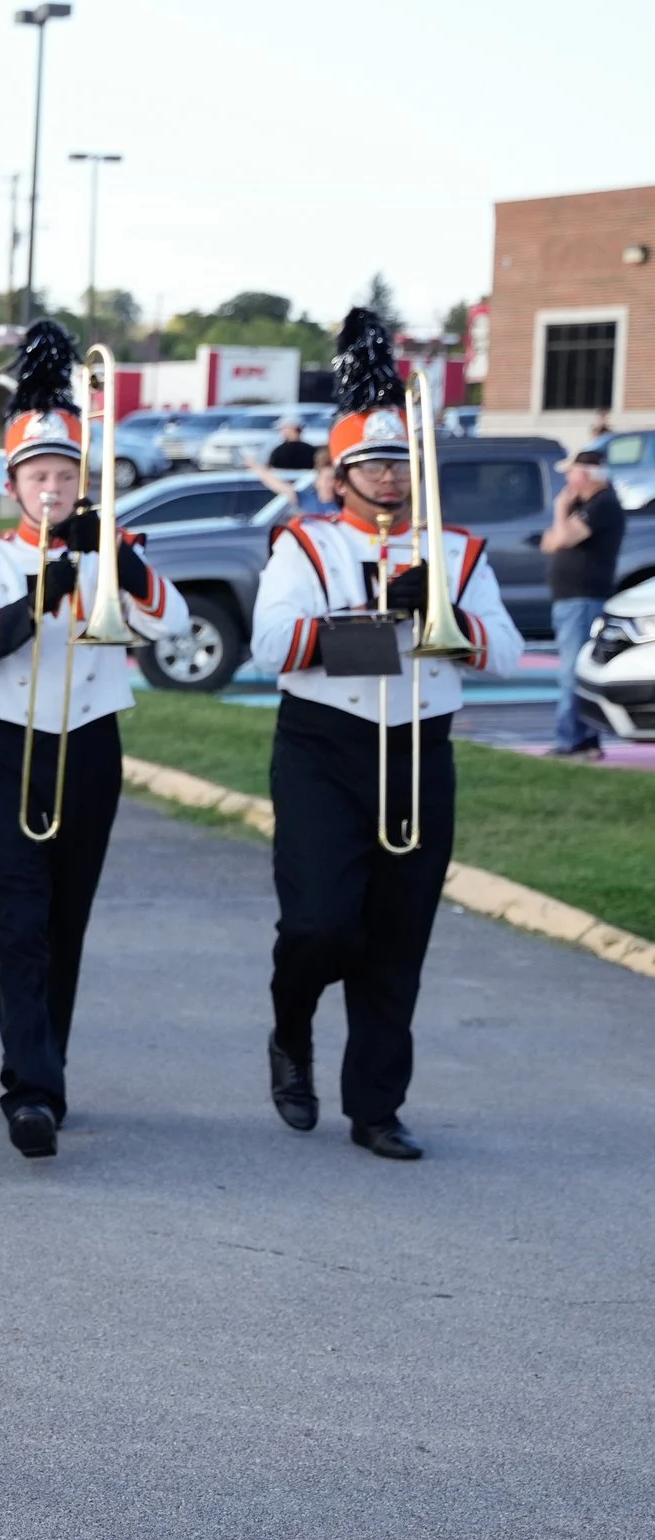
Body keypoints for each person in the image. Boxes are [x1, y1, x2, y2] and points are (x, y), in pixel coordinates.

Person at [252, 309, 520, 1161]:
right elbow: (273, 650)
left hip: (420, 749)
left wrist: (440, 616)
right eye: (371, 463)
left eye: (401, 461)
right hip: (324, 749)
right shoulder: (304, 544)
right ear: (339, 474)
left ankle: (376, 1106)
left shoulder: (457, 549)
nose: (390, 478)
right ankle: (290, 1028)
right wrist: (377, 619)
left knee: (399, 937)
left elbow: (508, 653)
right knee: (321, 927)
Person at [0, 320, 191, 1160]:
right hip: (11, 743)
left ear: (85, 481)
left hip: (90, 744)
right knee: (19, 920)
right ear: (12, 485)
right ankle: (30, 1089)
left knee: (66, 920)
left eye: (65, 474)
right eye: (38, 475)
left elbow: (171, 624)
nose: (52, 488)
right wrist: (32, 602)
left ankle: (49, 1065)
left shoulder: (114, 547)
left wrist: (116, 557)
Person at [541, 446, 625, 758]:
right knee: (574, 670)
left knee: (573, 672)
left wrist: (560, 509)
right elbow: (550, 543)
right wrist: (565, 518)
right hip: (571, 599)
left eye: (572, 472)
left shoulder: (602, 505)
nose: (567, 478)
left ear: (587, 475)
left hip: (583, 599)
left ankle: (572, 739)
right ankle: (583, 737)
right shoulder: (586, 506)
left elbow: (561, 538)